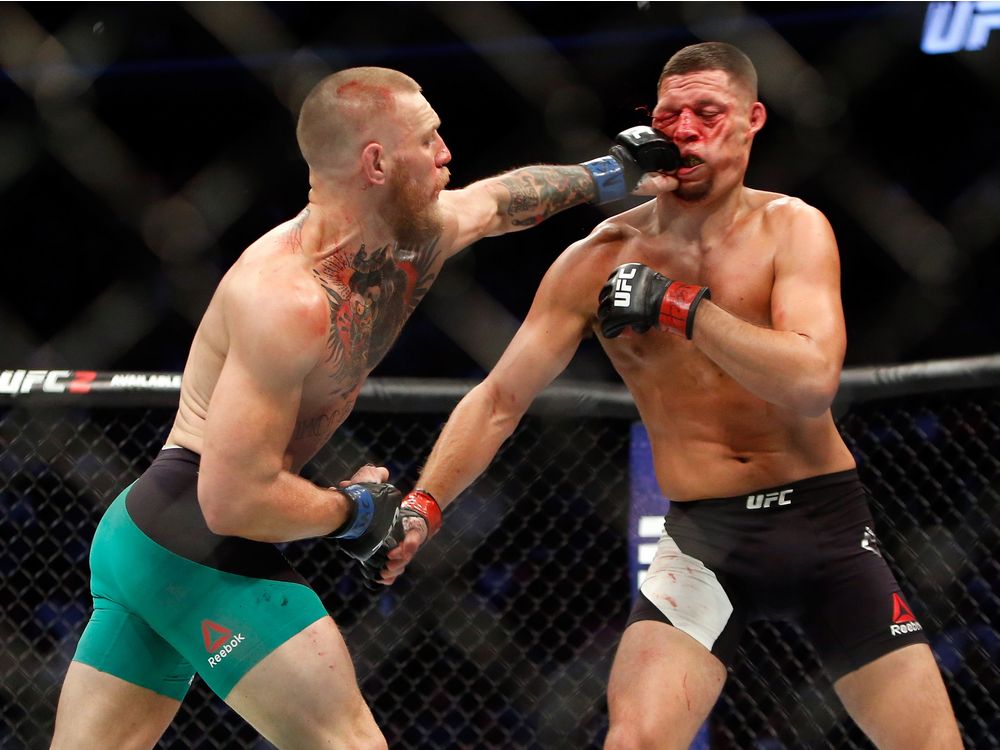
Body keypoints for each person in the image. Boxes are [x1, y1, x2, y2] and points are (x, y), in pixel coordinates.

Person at [49, 66, 679, 750]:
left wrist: (610, 173)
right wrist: (354, 510)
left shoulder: (421, 233)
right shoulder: (283, 298)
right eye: (429, 137)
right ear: (377, 161)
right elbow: (230, 498)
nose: (446, 152)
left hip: (147, 538)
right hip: (190, 531)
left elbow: (504, 201)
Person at [372, 44, 964, 749]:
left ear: (752, 121)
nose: (684, 130)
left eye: (707, 113)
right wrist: (426, 504)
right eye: (668, 115)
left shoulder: (793, 228)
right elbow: (500, 398)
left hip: (826, 529)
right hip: (704, 539)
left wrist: (683, 307)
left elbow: (810, 384)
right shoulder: (598, 258)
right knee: (636, 741)